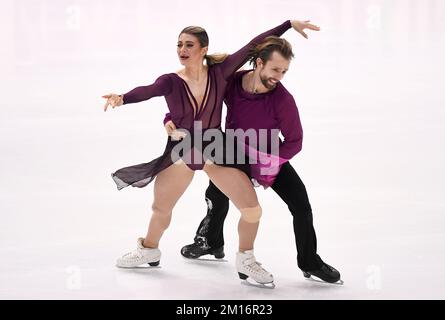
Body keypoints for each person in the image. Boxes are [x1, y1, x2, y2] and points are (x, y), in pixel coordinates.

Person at [102, 20, 318, 286]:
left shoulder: (222, 74)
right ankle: (149, 249)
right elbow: (148, 91)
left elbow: (253, 45)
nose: (182, 49)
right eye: (179, 44)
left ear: (203, 49)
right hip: (182, 150)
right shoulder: (171, 81)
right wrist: (122, 98)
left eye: (189, 45)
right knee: (161, 209)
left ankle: (246, 260)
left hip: (215, 149)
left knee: (252, 210)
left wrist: (287, 24)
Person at [164, 35, 342, 284]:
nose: (279, 76)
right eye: (275, 69)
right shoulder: (234, 82)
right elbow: (200, 101)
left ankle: (309, 261)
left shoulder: (283, 100)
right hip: (232, 150)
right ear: (258, 63)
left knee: (301, 205)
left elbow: (295, 141)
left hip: (268, 154)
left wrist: (268, 162)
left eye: (284, 71)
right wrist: (169, 118)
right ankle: (209, 242)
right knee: (216, 195)